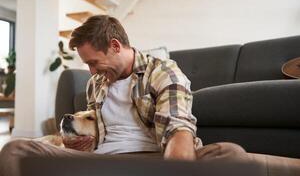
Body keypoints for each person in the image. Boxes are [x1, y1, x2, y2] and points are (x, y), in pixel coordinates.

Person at [0, 15, 300, 176]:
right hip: (102, 161)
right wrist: (79, 147)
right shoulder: (96, 84)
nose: (90, 71)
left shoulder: (163, 72)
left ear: (116, 46)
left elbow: (178, 127)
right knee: (16, 151)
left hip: (154, 160)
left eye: (93, 62)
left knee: (229, 154)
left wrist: (172, 170)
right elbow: (94, 134)